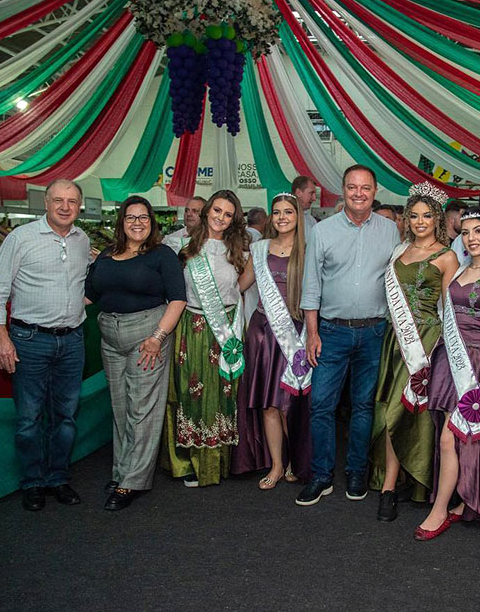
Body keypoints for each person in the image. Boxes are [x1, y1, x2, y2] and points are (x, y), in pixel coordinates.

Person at [0, 179, 91, 511]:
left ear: (79, 206)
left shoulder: (82, 240)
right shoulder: (21, 238)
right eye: (58, 200)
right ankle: (32, 482)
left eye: (71, 201)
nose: (65, 207)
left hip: (72, 340)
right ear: (45, 202)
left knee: (66, 415)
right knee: (29, 417)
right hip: (30, 340)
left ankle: (58, 477)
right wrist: (1, 336)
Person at [296, 166, 400, 507]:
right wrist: (312, 333)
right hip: (331, 332)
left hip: (374, 332)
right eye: (352, 187)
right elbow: (311, 285)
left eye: (365, 187)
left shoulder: (390, 231)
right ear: (343, 190)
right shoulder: (323, 231)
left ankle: (357, 470)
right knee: (321, 405)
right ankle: (321, 475)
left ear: (374, 191)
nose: (359, 193)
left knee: (363, 406)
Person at [85, 196, 186, 510]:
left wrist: (158, 337)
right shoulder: (106, 254)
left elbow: (178, 299)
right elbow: (89, 295)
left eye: (143, 217)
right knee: (121, 407)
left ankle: (133, 480)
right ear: (122, 222)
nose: (137, 223)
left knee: (142, 410)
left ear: (152, 222)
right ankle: (121, 470)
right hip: (110, 339)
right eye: (131, 217)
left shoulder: (162, 255)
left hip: (147, 337)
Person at [416, 207, 480, 540]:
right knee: (452, 436)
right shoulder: (458, 271)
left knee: (458, 436)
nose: (471, 238)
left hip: (479, 363)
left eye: (479, 231)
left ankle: (444, 507)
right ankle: (457, 502)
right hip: (451, 360)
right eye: (466, 232)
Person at [370, 182, 459, 521]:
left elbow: (450, 310)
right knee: (392, 410)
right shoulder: (399, 251)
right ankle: (391, 485)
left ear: (437, 219)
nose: (420, 222)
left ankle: (410, 483)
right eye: (414, 216)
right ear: (407, 219)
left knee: (416, 412)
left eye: (427, 216)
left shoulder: (447, 256)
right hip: (395, 341)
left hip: (427, 341)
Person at [162, 191, 254, 487]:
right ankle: (188, 462)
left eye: (228, 214)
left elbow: (241, 286)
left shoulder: (240, 250)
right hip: (192, 328)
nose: (220, 218)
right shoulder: (181, 246)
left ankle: (220, 462)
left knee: (223, 393)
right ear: (206, 212)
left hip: (225, 329)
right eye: (217, 210)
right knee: (190, 392)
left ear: (234, 219)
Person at [232, 193, 313, 489]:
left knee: (289, 404)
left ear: (297, 216)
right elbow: (240, 285)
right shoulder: (260, 249)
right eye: (277, 212)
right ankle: (277, 465)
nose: (282, 217)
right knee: (268, 403)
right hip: (262, 333)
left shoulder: (309, 250)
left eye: (288, 212)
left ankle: (294, 461)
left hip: (296, 334)